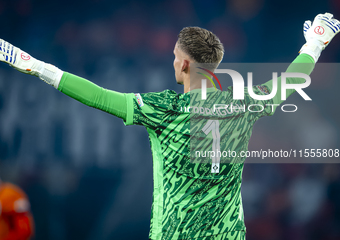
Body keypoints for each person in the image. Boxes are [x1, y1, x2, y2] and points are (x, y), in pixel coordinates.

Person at [0, 13, 339, 240]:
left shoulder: (165, 109)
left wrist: (36, 67)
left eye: (175, 55)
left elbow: (100, 97)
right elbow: (290, 82)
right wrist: (315, 43)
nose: (173, 61)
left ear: (186, 62)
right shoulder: (245, 104)